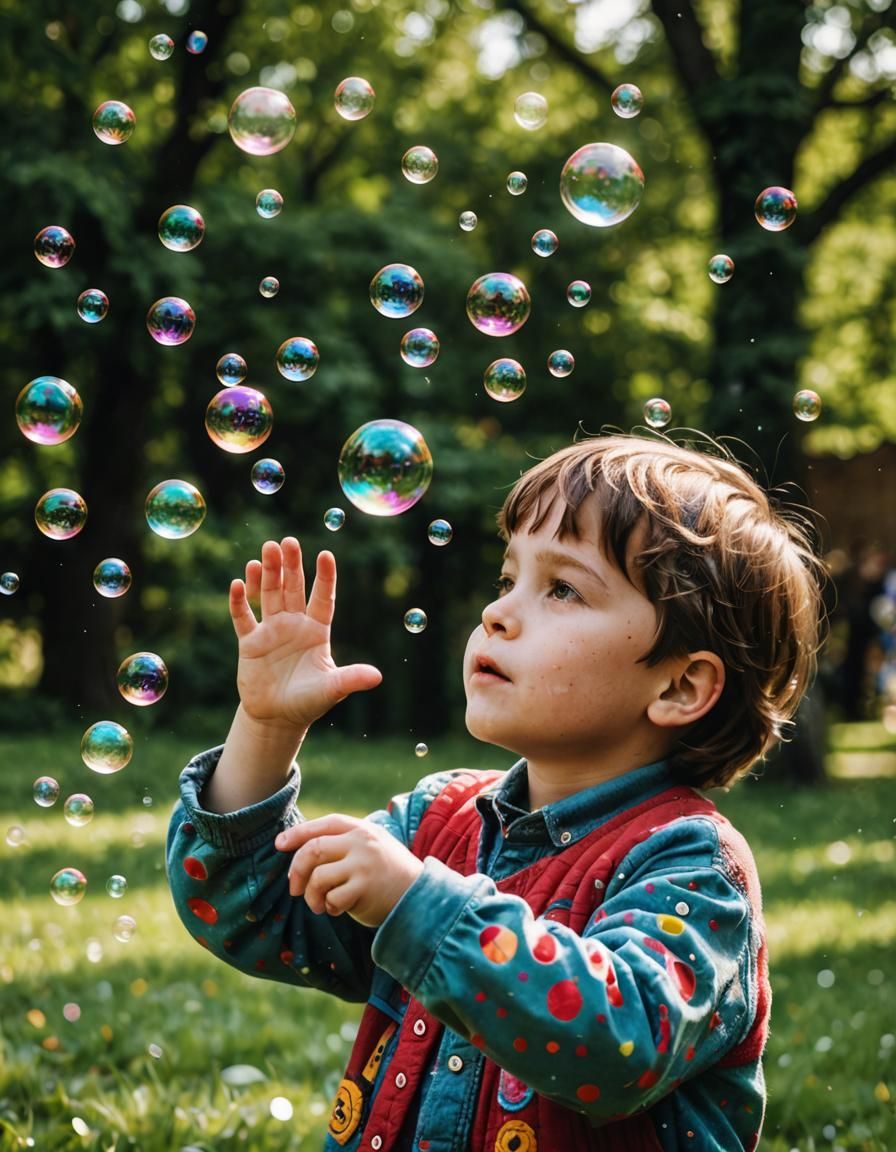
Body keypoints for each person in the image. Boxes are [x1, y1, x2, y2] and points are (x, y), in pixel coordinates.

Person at [167, 433, 826, 1151]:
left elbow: (614, 1047)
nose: (499, 613)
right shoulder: (435, 822)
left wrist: (417, 904)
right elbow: (250, 912)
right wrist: (265, 728)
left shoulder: (692, 867)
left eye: (563, 588)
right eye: (507, 578)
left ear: (679, 685)